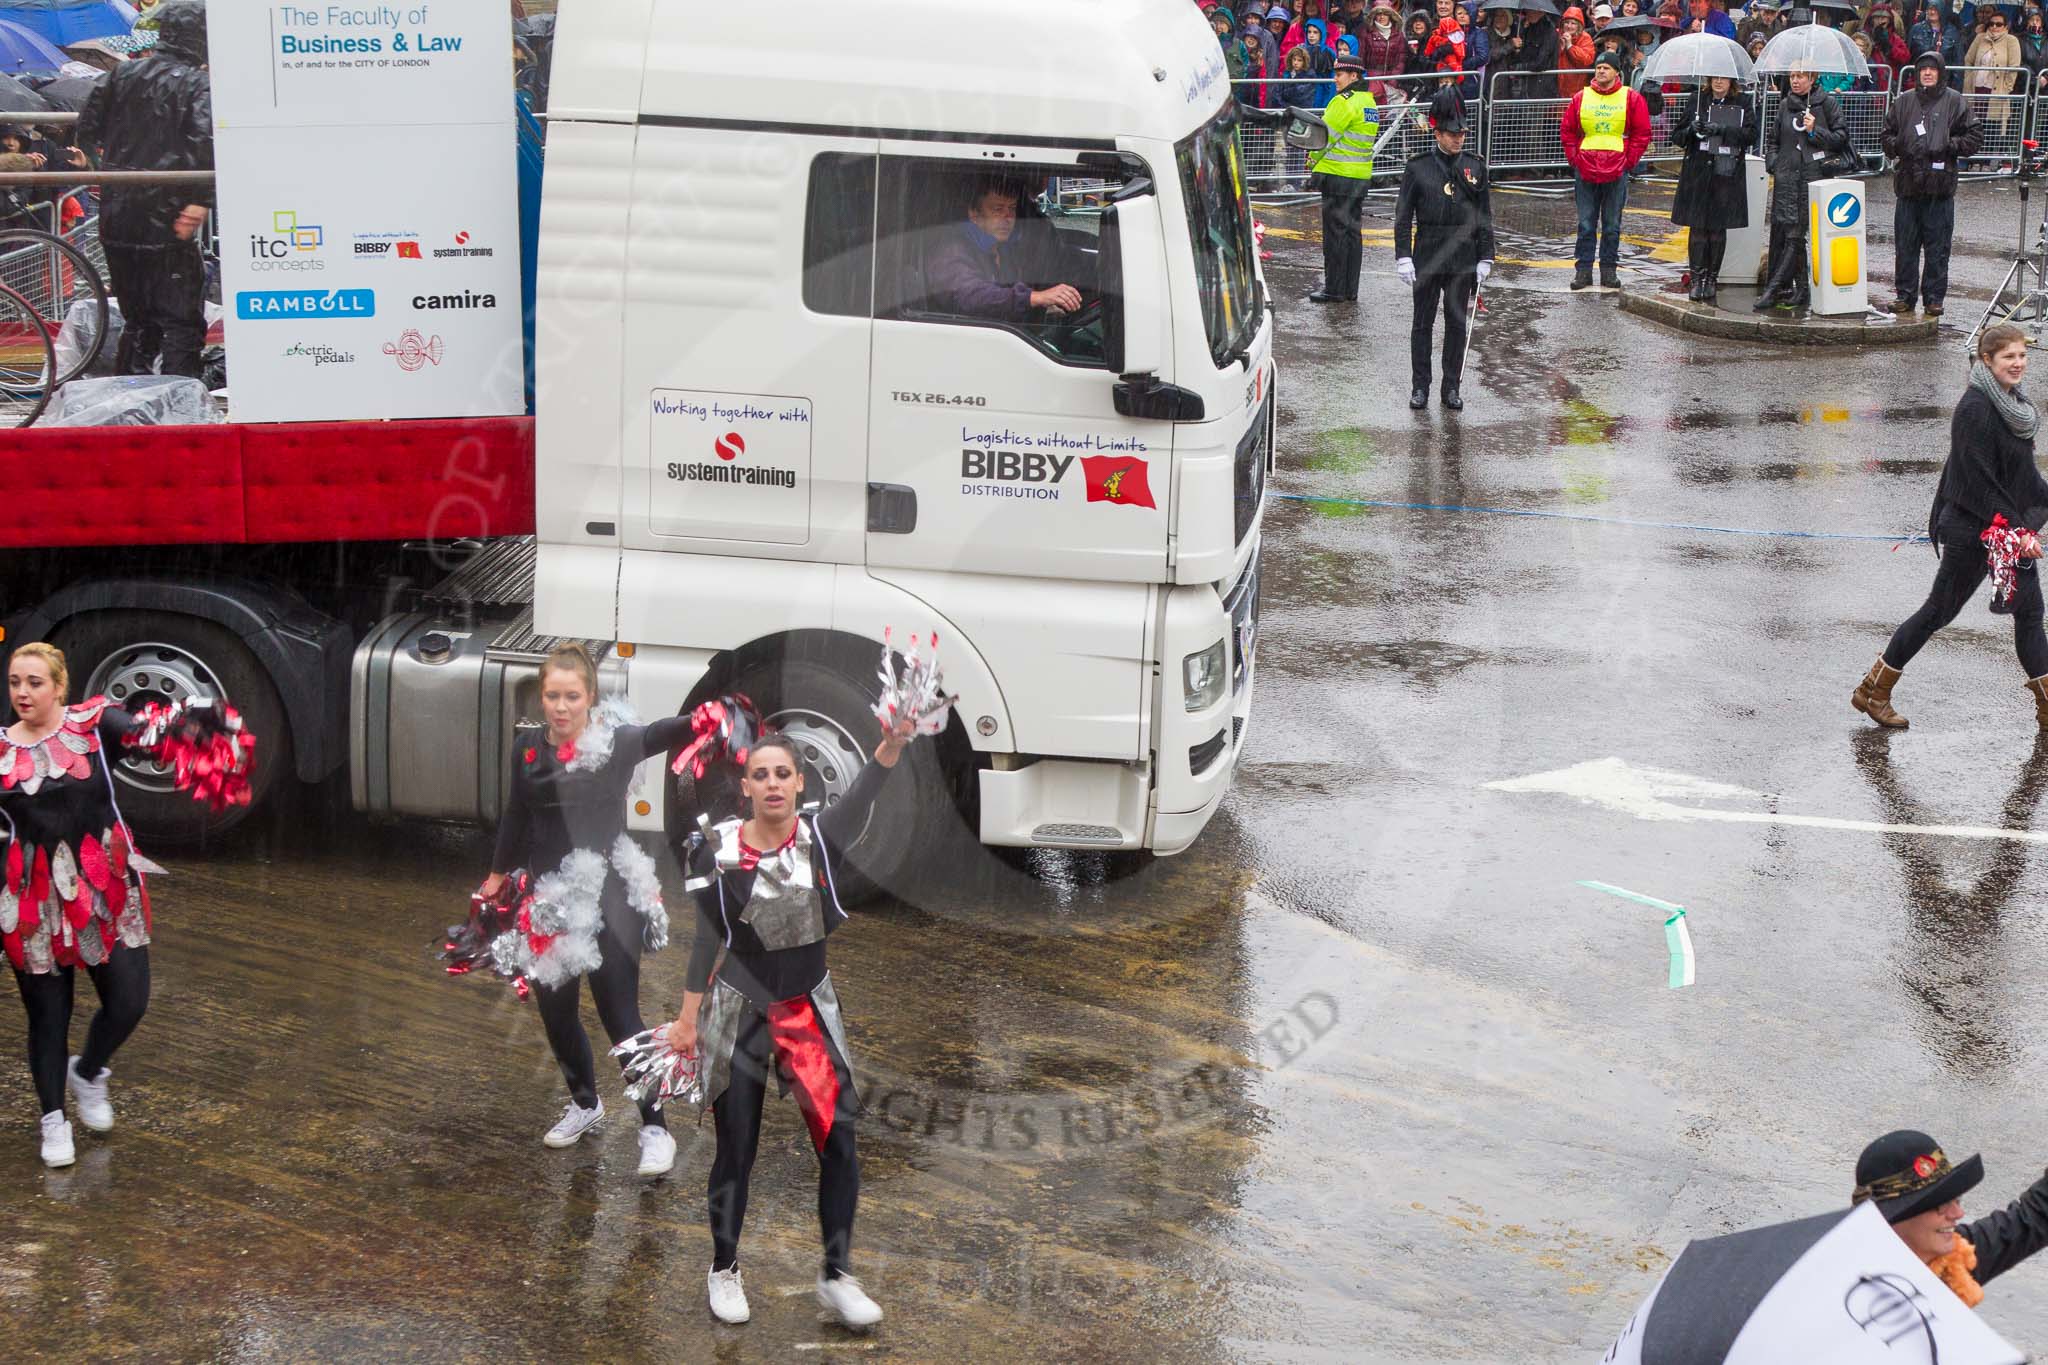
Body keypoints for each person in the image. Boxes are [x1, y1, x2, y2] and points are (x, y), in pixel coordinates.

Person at [666, 717, 923, 1331]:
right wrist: (686, 1018)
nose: (774, 783)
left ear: (801, 782)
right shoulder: (720, 852)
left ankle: (837, 1275)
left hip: (805, 1012)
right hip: (740, 1015)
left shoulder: (818, 837)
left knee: (839, 1142)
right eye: (761, 775)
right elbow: (706, 940)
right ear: (746, 787)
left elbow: (863, 795)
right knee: (737, 1149)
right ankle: (724, 1268)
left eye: (783, 773)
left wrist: (890, 745)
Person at [4, 641, 251, 1168]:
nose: (22, 692)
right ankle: (53, 1120)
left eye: (34, 682)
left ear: (59, 687)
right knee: (47, 1017)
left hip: (105, 891)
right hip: (36, 905)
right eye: (15, 682)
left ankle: (89, 1072)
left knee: (129, 1002)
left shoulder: (96, 726)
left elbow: (151, 736)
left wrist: (191, 727)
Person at [480, 644, 688, 1177]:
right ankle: (585, 1104)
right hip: (551, 900)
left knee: (620, 1014)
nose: (561, 706)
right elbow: (516, 813)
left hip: (611, 893)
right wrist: (498, 875)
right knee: (556, 1010)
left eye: (572, 696)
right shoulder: (527, 749)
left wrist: (713, 715)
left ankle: (656, 1130)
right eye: (553, 695)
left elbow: (662, 733)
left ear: (590, 697)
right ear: (542, 696)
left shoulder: (615, 744)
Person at [1853, 324, 2048, 730]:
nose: (2018, 363)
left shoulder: (2016, 406)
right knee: (1938, 612)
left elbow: (2023, 476)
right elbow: (1977, 481)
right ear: (1987, 360)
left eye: (2022, 355)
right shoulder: (1975, 408)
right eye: (2008, 357)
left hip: (2003, 530)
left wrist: (2036, 512)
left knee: (2030, 613)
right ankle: (1874, 690)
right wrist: (2019, 530)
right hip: (1970, 528)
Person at [74, 0, 212, 380]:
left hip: (119, 209)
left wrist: (104, 167)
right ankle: (180, 397)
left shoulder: (122, 74)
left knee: (138, 319)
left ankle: (132, 394)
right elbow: (205, 141)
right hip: (170, 212)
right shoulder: (197, 84)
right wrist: (200, 200)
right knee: (181, 319)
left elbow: (87, 127)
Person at [1852, 1129, 2048, 1306]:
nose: (1957, 1214)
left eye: (1956, 1199)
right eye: (1939, 1204)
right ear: (1889, 1218)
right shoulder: (1843, 1285)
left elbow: (2032, 1218)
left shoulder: (1955, 1258)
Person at [1394, 88, 1496, 410]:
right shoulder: (1418, 167)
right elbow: (1403, 215)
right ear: (1437, 133)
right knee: (1422, 324)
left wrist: (1486, 255)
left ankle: (1451, 387)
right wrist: (1403, 256)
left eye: (1462, 133)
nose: (1458, 139)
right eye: (1452, 134)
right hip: (1428, 253)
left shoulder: (1475, 167)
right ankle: (1420, 386)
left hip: (1462, 257)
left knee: (1456, 325)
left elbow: (1484, 215)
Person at [1881, 52, 1982, 317]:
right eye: (1922, 69)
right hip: (1908, 186)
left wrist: (1950, 145)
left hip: (1939, 186)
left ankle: (1934, 298)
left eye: (1932, 69)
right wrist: (1899, 144)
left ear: (1940, 72)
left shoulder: (1955, 101)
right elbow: (1886, 134)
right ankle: (1905, 295)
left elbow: (1974, 136)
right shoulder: (1904, 101)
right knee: (1906, 246)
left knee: (1937, 248)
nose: (1927, 73)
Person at [924, 177, 1087, 323]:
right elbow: (970, 296)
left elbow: (1010, 295)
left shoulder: (1006, 248)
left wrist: (1043, 306)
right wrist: (1033, 298)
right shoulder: (951, 250)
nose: (1008, 218)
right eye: (998, 209)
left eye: (1012, 208)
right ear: (975, 215)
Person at [1754, 66, 1848, 310]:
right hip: (1786, 178)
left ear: (1812, 78)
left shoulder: (1827, 104)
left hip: (1812, 176)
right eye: (1792, 76)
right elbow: (1773, 140)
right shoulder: (1786, 105)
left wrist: (1815, 130)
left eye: (1800, 77)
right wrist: (1774, 163)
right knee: (1789, 235)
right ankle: (1803, 289)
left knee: (1796, 236)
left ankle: (1773, 289)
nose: (1795, 81)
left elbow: (1841, 138)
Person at [1561, 51, 1652, 290]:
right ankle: (1583, 271)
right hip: (1586, 169)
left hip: (1616, 170)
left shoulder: (1631, 98)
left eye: (1606, 68)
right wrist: (1575, 159)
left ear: (1616, 73)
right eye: (1598, 67)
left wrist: (1628, 161)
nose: (1601, 71)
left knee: (1611, 225)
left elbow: (1642, 133)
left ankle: (1608, 271)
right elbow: (1568, 130)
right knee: (1586, 224)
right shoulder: (1581, 97)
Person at [1669, 75, 1756, 303]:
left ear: (1731, 81)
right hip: (1697, 172)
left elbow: (1751, 135)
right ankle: (1697, 279)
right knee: (1698, 227)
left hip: (1725, 171)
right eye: (1715, 78)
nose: (1718, 82)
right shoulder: (1697, 99)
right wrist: (1690, 130)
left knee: (1717, 229)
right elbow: (1677, 136)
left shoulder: (1742, 102)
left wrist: (1722, 129)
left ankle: (1711, 279)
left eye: (1723, 79)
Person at [1308, 53, 1379, 302]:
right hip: (1359, 177)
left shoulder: (1342, 102)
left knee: (1335, 237)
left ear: (1353, 76)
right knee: (1352, 235)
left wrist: (1311, 162)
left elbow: (1322, 138)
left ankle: (1334, 289)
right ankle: (1350, 289)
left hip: (1337, 176)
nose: (1335, 79)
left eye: (1339, 75)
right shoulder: (1368, 102)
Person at [1965, 9, 2022, 137]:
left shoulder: (2011, 40)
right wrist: (1968, 78)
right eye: (1991, 24)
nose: (1994, 27)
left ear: (2005, 26)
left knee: (1992, 130)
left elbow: (2014, 67)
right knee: (1973, 126)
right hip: (1976, 89)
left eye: (1999, 24)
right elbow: (1968, 60)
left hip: (1996, 92)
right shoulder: (1980, 38)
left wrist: (2006, 88)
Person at [1363, 0, 1409, 95]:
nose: (1382, 17)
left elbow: (1401, 60)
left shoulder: (1398, 35)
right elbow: (1361, 58)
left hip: (1392, 80)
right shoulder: (1366, 34)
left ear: (1390, 16)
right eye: (1379, 14)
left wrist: (1393, 79)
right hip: (1371, 79)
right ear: (1374, 16)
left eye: (1385, 14)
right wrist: (1369, 79)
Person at [1557, 6, 1599, 94]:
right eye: (1567, 22)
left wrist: (1570, 47)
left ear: (1579, 26)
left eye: (1573, 23)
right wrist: (1560, 48)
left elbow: (1587, 60)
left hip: (1576, 85)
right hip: (1556, 83)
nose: (1569, 26)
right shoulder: (1556, 34)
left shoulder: (1585, 38)